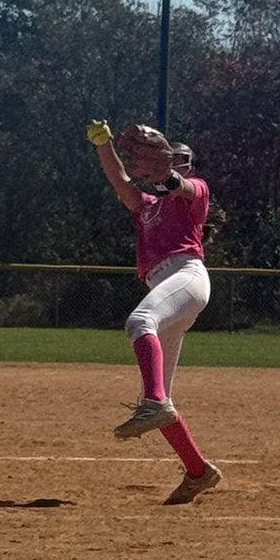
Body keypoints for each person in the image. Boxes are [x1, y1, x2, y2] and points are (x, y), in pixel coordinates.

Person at [86, 118, 221, 505]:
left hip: (186, 275)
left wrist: (171, 176)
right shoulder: (146, 206)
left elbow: (185, 187)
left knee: (140, 321)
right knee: (164, 400)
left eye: (176, 160)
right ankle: (199, 472)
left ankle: (154, 402)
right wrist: (102, 143)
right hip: (165, 287)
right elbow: (120, 180)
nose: (167, 165)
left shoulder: (195, 192)